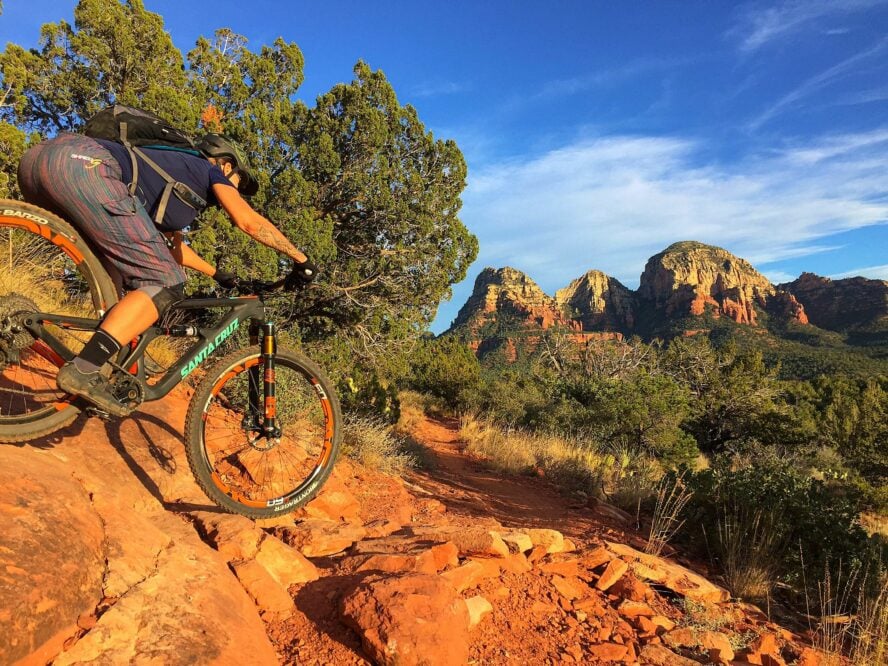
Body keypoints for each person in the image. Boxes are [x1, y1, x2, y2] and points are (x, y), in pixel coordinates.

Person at [17, 131, 317, 416]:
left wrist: (219, 274)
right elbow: (247, 221)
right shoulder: (208, 169)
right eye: (239, 181)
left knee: (123, 283)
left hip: (39, 162)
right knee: (164, 283)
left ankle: (71, 352)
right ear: (225, 165)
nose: (238, 190)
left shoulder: (169, 176)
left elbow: (171, 249)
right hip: (88, 168)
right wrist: (300, 258)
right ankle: (84, 369)